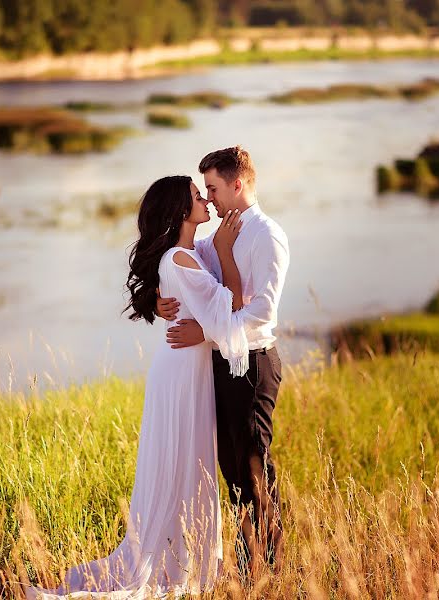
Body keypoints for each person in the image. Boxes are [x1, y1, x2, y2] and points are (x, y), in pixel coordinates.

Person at [26, 175, 247, 599]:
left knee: (186, 462)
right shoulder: (182, 259)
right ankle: (177, 562)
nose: (204, 200)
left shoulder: (183, 255)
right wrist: (225, 253)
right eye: (197, 196)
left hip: (184, 368)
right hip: (182, 373)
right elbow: (232, 307)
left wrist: (171, 299)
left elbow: (196, 300)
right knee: (182, 461)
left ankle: (182, 553)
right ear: (181, 211)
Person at [156, 146, 290, 575]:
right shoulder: (217, 237)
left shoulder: (267, 235)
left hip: (253, 363)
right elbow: (198, 284)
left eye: (212, 188)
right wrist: (158, 300)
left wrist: (207, 330)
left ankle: (269, 568)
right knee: (232, 471)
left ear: (238, 184)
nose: (209, 198)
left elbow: (261, 311)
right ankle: (250, 562)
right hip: (221, 365)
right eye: (204, 191)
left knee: (254, 464)